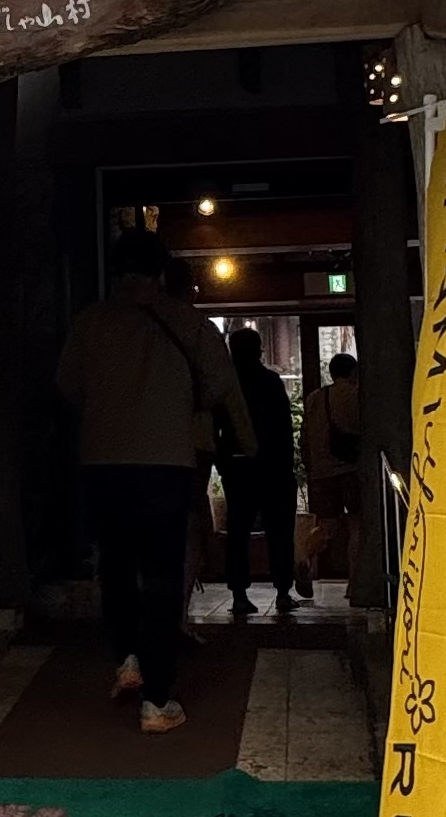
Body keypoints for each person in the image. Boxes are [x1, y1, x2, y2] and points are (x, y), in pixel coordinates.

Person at [56, 229, 254, 732]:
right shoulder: (190, 325)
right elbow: (218, 388)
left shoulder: (90, 323)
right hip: (165, 462)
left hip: (102, 462)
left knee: (116, 568)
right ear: (162, 271)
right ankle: (158, 700)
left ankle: (127, 660)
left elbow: (69, 385)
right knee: (162, 577)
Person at [222, 327, 302, 618]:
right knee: (279, 530)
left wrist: (224, 462)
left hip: (238, 467)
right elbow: (283, 428)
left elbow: (221, 429)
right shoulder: (270, 381)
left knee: (238, 532)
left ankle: (239, 594)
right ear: (259, 350)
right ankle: (282, 592)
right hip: (273, 468)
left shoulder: (228, 384)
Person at [304, 348, 365, 590]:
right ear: (353, 372)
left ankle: (304, 558)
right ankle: (354, 583)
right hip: (350, 470)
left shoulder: (315, 398)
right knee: (356, 525)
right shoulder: (356, 396)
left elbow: (306, 437)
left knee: (326, 526)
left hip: (321, 473)